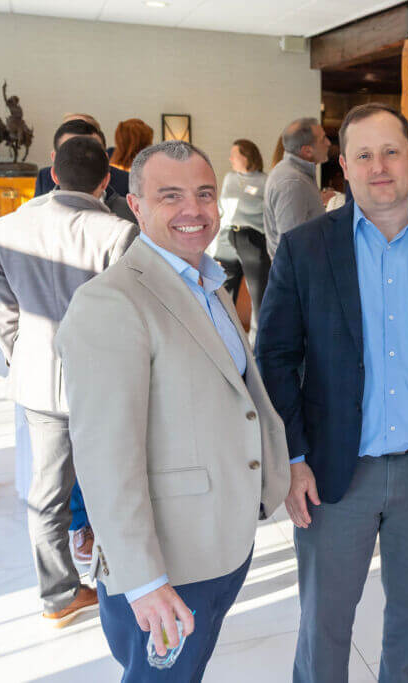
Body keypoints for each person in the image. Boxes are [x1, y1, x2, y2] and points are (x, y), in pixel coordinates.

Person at [256, 102, 408, 683]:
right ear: (343, 166)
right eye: (363, 155)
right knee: (324, 623)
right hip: (333, 473)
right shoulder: (305, 249)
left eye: (391, 151)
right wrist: (292, 458)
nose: (379, 167)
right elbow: (275, 360)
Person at [55, 140, 290, 681]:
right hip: (167, 563)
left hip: (220, 542)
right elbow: (105, 457)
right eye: (171, 196)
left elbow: (240, 400)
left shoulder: (208, 282)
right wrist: (143, 580)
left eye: (204, 194)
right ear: (135, 206)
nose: (194, 210)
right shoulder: (111, 301)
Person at [0, 137, 138, 627]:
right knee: (115, 484)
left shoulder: (7, 227)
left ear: (53, 174)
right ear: (105, 181)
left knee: (48, 493)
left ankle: (58, 596)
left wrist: (23, 357)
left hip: (38, 379)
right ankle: (120, 584)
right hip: (102, 384)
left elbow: (3, 310)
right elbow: (128, 318)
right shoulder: (119, 232)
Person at [263, 117, 330, 260]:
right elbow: (292, 245)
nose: (328, 143)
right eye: (323, 139)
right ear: (307, 151)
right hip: (302, 271)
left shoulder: (296, 175)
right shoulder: (292, 182)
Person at [216, 139, 267, 315]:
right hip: (227, 237)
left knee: (258, 294)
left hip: (252, 238)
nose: (230, 159)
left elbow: (269, 213)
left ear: (247, 156)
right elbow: (221, 208)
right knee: (223, 292)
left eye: (234, 155)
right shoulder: (229, 178)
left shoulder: (264, 181)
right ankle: (224, 331)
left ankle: (258, 332)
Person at [35, 115, 131, 198]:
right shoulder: (45, 178)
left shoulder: (125, 182)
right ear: (54, 157)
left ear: (105, 157)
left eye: (90, 151)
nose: (81, 158)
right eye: (69, 152)